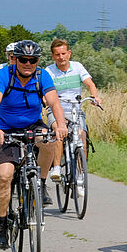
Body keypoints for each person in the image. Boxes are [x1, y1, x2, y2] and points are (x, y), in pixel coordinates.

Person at [0, 40, 68, 249]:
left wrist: (60, 125)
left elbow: (54, 102)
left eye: (32, 60)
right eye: (23, 59)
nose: (28, 64)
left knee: (49, 140)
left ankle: (39, 183)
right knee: (4, 175)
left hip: (32, 125)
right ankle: (3, 225)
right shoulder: (5, 74)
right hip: (6, 130)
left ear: (37, 61)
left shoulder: (42, 76)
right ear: (15, 59)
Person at [43, 38, 102, 183]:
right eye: (57, 55)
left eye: (63, 53)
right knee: (59, 132)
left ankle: (81, 173)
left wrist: (95, 97)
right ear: (53, 56)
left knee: (82, 137)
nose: (61, 57)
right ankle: (56, 168)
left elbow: (89, 83)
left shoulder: (77, 67)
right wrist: (45, 99)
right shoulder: (48, 71)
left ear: (69, 53)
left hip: (76, 109)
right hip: (57, 110)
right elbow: (44, 90)